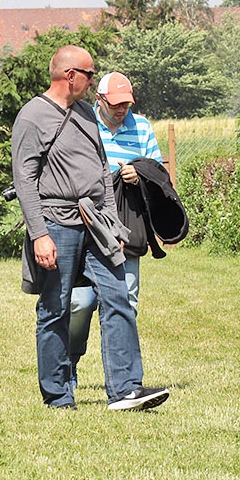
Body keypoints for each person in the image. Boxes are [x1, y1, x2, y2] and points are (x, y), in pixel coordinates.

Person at [11, 45, 168, 411]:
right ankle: (58, 396)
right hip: (56, 221)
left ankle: (127, 389)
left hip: (97, 221)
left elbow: (100, 168)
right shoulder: (32, 117)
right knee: (56, 307)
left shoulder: (84, 112)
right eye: (89, 74)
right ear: (70, 76)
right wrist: (40, 234)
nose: (93, 80)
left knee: (118, 296)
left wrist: (112, 221)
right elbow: (25, 180)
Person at [68, 72, 162, 387]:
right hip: (86, 224)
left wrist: (141, 175)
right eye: (116, 104)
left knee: (127, 301)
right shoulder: (83, 124)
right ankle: (70, 359)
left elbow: (160, 174)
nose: (122, 110)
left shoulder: (143, 127)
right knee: (81, 302)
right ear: (100, 100)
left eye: (126, 104)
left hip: (128, 224)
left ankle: (124, 379)